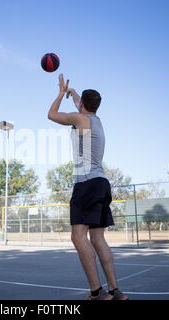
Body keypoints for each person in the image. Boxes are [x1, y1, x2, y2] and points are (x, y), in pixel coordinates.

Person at [47, 74, 128, 300]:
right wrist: (72, 93)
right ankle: (115, 290)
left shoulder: (80, 119)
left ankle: (95, 291)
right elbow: (80, 105)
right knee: (98, 238)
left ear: (83, 106)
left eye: (79, 102)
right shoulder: (96, 120)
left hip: (86, 184)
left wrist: (61, 93)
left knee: (77, 236)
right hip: (101, 183)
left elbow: (51, 115)